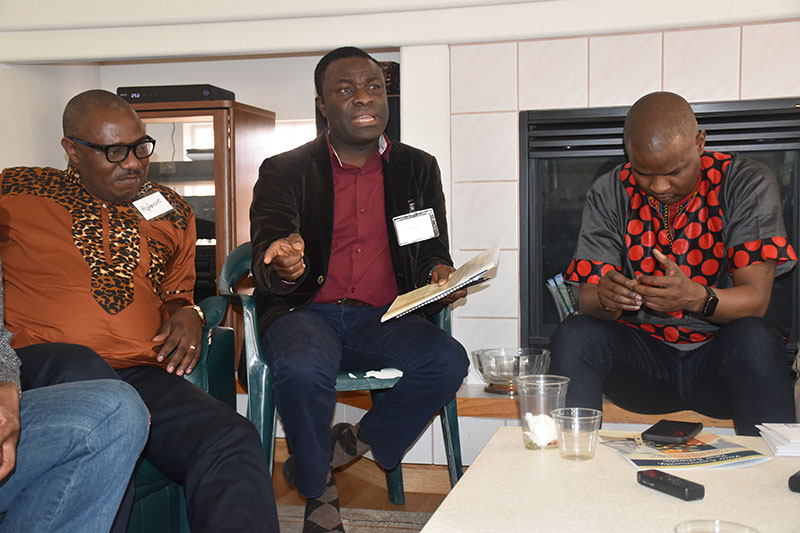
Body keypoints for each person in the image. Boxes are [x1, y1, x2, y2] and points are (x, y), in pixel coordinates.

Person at [0, 89, 279, 532]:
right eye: (114, 151)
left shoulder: (172, 210)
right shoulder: (16, 190)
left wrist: (189, 312)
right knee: (84, 370)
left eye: (140, 147)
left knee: (231, 439)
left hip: (138, 370)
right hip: (41, 367)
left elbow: (176, 292)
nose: (132, 163)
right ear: (72, 150)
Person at [250, 46, 469, 532]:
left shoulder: (417, 167)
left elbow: (430, 247)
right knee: (302, 367)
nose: (364, 98)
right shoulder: (285, 169)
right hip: (307, 313)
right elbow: (268, 255)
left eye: (373, 87)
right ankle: (319, 491)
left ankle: (347, 445)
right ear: (322, 105)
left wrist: (439, 272)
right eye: (346, 90)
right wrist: (286, 261)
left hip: (383, 317)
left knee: (448, 360)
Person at [549, 91, 797, 436]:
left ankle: (777, 464)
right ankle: (570, 458)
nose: (659, 186)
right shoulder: (610, 192)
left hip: (721, 367)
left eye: (674, 171)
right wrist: (607, 299)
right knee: (574, 334)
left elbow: (756, 301)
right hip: (644, 367)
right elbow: (587, 299)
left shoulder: (745, 182)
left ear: (700, 143)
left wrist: (695, 297)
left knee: (755, 338)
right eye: (643, 172)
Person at [0, 257, 150, 532]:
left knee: (116, 412)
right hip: (54, 353)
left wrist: (6, 384)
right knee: (79, 364)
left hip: (146, 364)